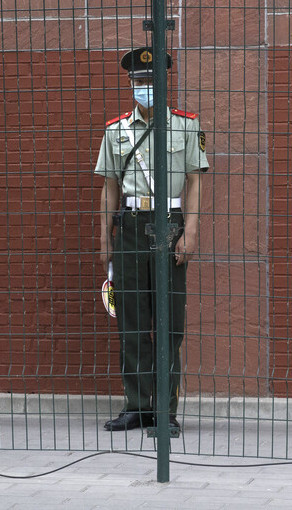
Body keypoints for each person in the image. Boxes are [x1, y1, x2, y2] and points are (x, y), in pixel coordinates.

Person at [95, 46, 208, 434]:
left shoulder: (186, 126)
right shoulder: (116, 130)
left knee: (168, 322)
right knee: (131, 320)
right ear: (130, 84)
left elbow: (194, 182)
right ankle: (136, 404)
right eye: (138, 81)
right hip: (128, 225)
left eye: (151, 80)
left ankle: (165, 411)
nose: (144, 86)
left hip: (169, 223)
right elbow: (109, 189)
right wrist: (104, 239)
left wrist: (190, 230)